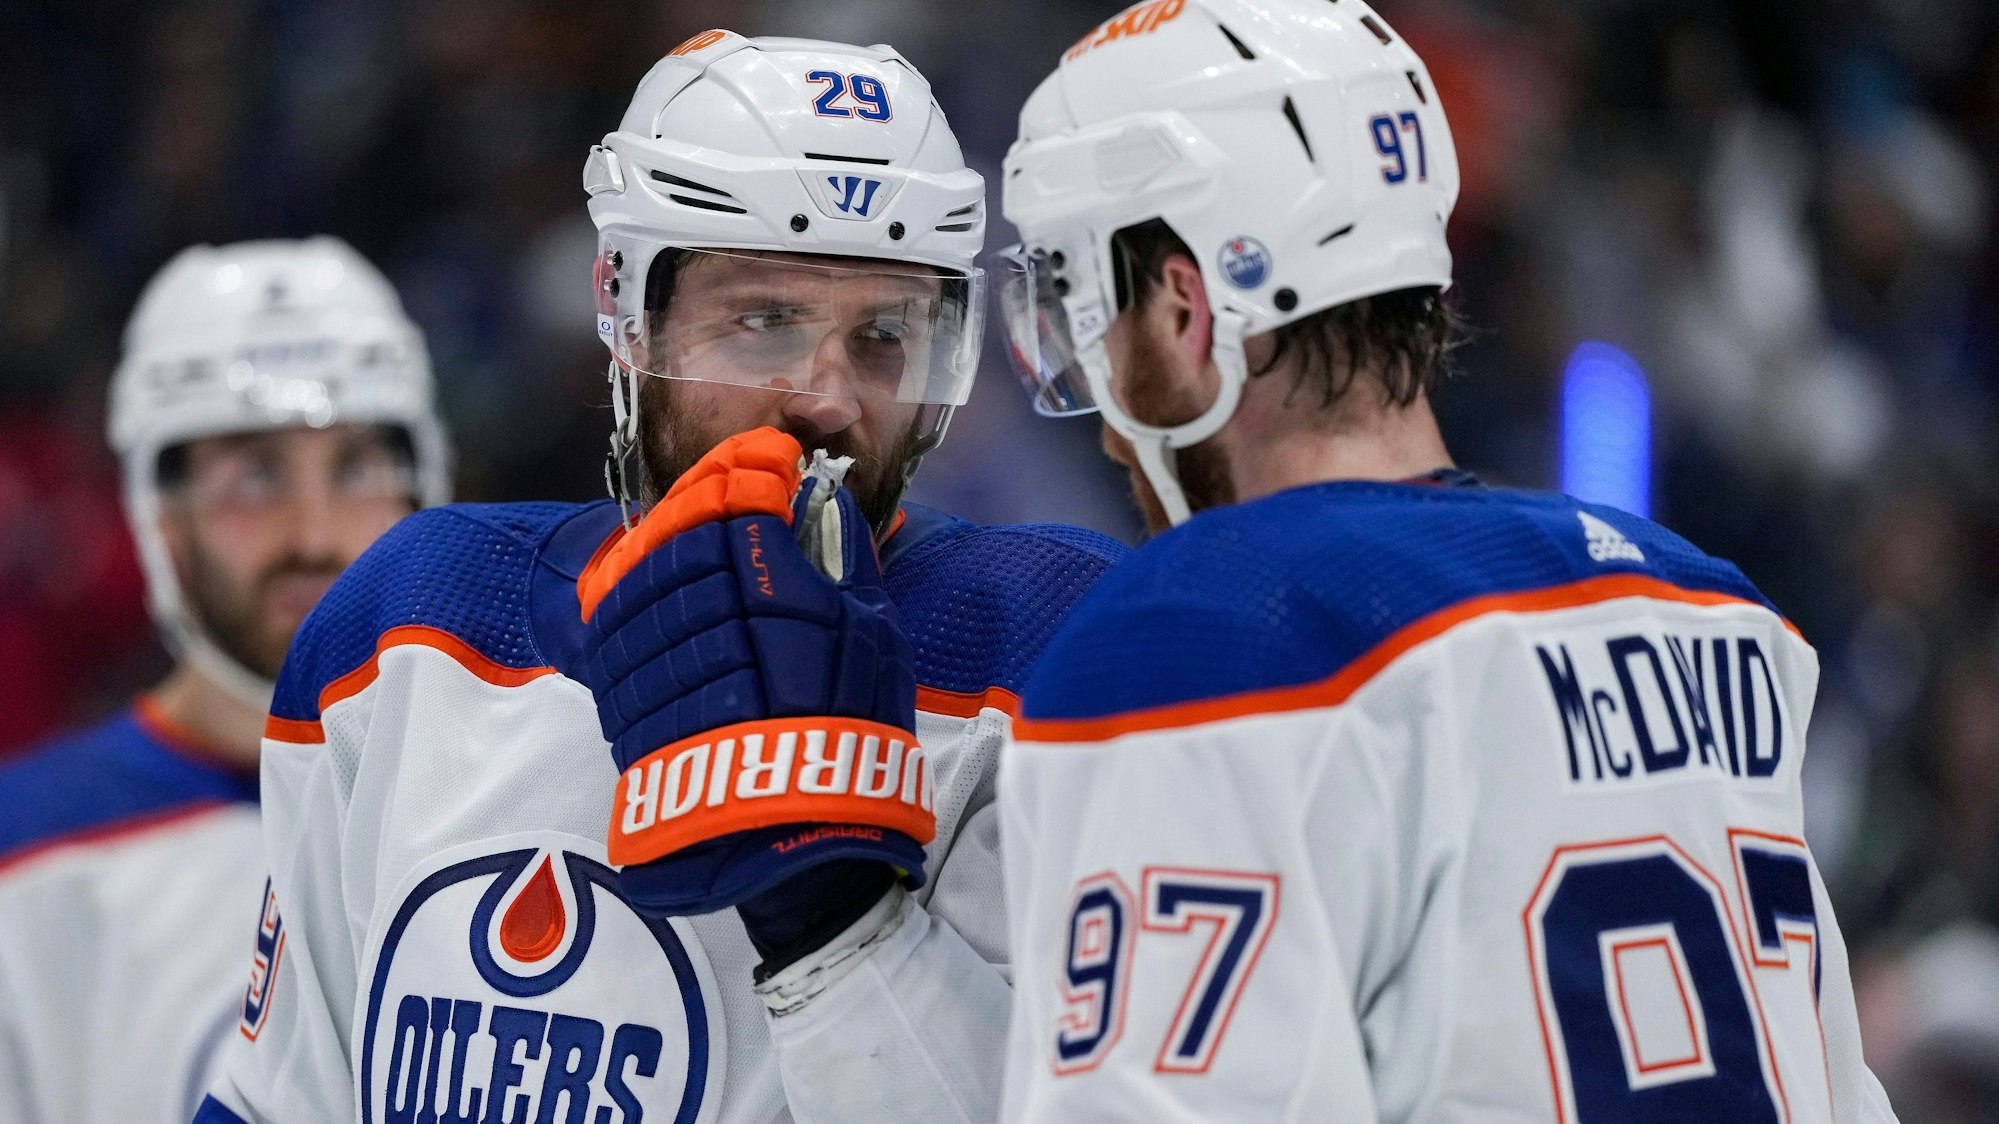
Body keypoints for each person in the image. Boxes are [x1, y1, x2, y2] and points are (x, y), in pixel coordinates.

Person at [992, 1, 1901, 1120]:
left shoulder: (1192, 638)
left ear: (1185, 307)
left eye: (1088, 306)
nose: (1097, 414)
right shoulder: (1716, 613)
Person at [196, 31, 1123, 1124]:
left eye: (884, 336)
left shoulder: (1055, 650)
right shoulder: (406, 622)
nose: (825, 398)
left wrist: (835, 925)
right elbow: (278, 1098)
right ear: (630, 315)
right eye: (763, 320)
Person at [0, 237, 449, 1124]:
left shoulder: (522, 798)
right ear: (159, 516)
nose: (315, 533)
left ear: (422, 488)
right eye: (252, 473)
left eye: (357, 465)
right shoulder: (21, 853)